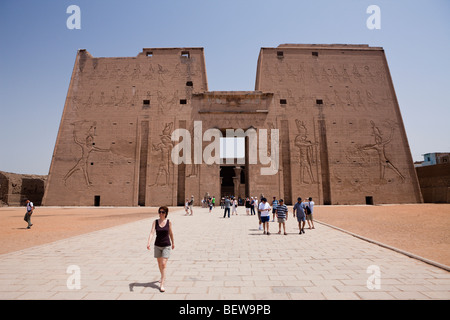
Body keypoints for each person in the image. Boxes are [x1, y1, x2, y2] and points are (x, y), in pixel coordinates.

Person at [146, 206, 174, 292]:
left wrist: (173, 243)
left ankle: (162, 283)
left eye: (163, 212)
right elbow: (152, 232)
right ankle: (162, 275)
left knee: (163, 264)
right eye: (160, 212)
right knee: (159, 263)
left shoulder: (169, 222)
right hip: (157, 245)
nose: (161, 214)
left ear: (166, 214)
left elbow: (171, 233)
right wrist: (148, 242)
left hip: (166, 245)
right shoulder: (155, 222)